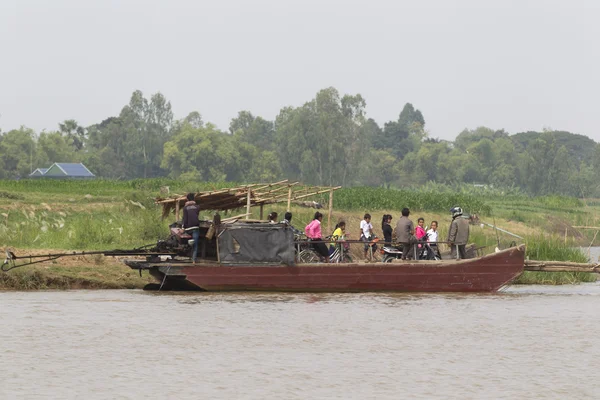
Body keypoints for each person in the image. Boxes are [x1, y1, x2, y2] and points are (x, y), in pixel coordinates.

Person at [182, 193, 201, 263]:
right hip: (196, 227)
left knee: (188, 244)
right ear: (194, 199)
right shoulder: (197, 207)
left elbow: (185, 219)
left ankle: (188, 258)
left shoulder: (185, 208)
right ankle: (193, 260)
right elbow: (196, 215)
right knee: (195, 245)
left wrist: (183, 227)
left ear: (187, 199)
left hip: (188, 229)